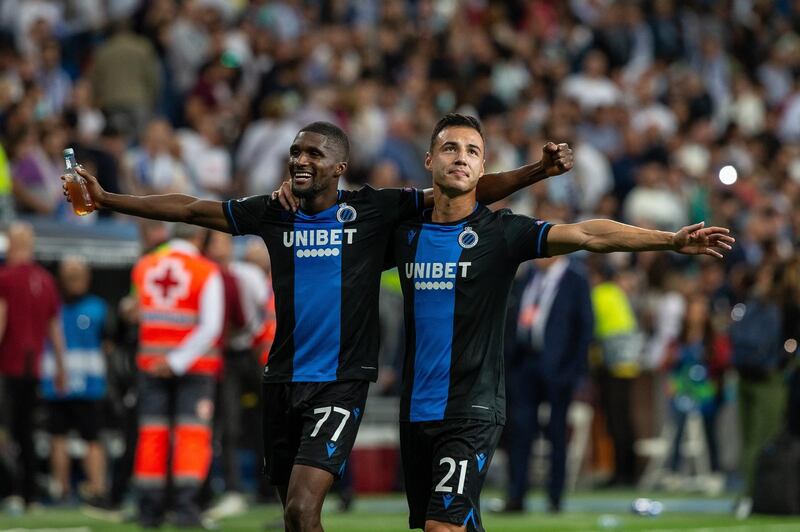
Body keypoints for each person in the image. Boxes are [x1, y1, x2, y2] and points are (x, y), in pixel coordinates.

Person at [63, 120, 573, 532]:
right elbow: (193, 209)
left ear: (340, 168)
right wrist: (109, 200)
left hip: (341, 381)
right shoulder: (274, 211)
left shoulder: (374, 209)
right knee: (292, 516)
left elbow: (466, 187)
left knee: (303, 511)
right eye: (296, 153)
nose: (301, 161)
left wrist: (536, 173)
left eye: (313, 154)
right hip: (282, 378)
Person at [387, 114, 733, 532]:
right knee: (452, 522)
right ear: (428, 160)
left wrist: (669, 240)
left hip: (471, 407)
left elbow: (589, 234)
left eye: (472, 151)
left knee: (441, 527)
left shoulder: (499, 233)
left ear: (483, 168)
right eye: (450, 148)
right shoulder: (403, 235)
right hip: (416, 409)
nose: (461, 158)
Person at [130, 223, 224, 529]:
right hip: (194, 368)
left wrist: (165, 358)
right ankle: (186, 509)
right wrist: (177, 361)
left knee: (152, 436)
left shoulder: (144, 266)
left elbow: (135, 311)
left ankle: (149, 511)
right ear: (200, 237)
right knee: (192, 438)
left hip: (150, 364)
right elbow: (211, 327)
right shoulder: (206, 271)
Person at [502, 253, 594, 513]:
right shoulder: (528, 276)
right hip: (525, 366)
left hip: (559, 368)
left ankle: (555, 497)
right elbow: (513, 317)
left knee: (556, 433)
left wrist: (576, 371)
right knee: (520, 432)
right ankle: (516, 494)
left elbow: (585, 327)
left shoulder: (575, 279)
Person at [0, 222, 66, 510]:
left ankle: (10, 491)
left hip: (7, 366)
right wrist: (62, 367)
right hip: (33, 368)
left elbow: (0, 322)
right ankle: (31, 496)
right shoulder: (46, 280)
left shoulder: (6, 278)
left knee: (6, 431)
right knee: (26, 433)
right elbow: (55, 329)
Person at [41, 256, 110, 506]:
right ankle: (62, 489)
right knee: (59, 437)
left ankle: (96, 489)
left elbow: (107, 343)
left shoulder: (97, 308)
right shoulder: (54, 307)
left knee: (88, 438)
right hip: (59, 384)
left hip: (88, 385)